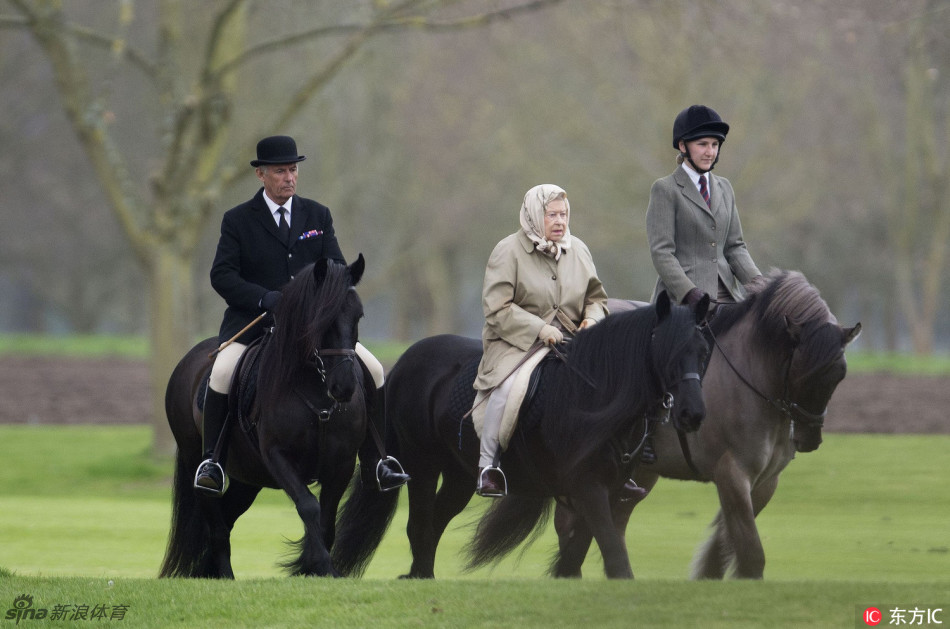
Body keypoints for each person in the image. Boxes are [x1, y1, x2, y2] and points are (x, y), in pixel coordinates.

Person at [194, 135, 409, 497]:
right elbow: (222, 275)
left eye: (293, 170)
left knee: (373, 369)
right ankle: (212, 460)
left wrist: (318, 294)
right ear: (261, 174)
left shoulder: (317, 215)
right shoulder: (238, 220)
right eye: (280, 171)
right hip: (257, 324)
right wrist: (266, 299)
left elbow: (337, 266)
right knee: (222, 371)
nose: (289, 178)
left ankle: (379, 460)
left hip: (315, 330)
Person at [472, 184, 608, 497]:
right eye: (552, 215)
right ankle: (488, 465)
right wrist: (538, 329)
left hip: (572, 341)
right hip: (515, 342)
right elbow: (496, 308)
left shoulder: (579, 250)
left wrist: (591, 320)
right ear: (535, 215)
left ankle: (609, 462)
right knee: (509, 388)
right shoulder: (507, 250)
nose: (560, 221)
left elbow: (596, 298)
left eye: (563, 214)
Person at [646, 105, 761, 308]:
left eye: (715, 145)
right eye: (702, 144)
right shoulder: (665, 189)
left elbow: (735, 248)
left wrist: (760, 286)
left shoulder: (725, 187)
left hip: (727, 295)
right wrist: (689, 292)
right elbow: (662, 253)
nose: (710, 152)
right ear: (683, 146)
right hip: (683, 300)